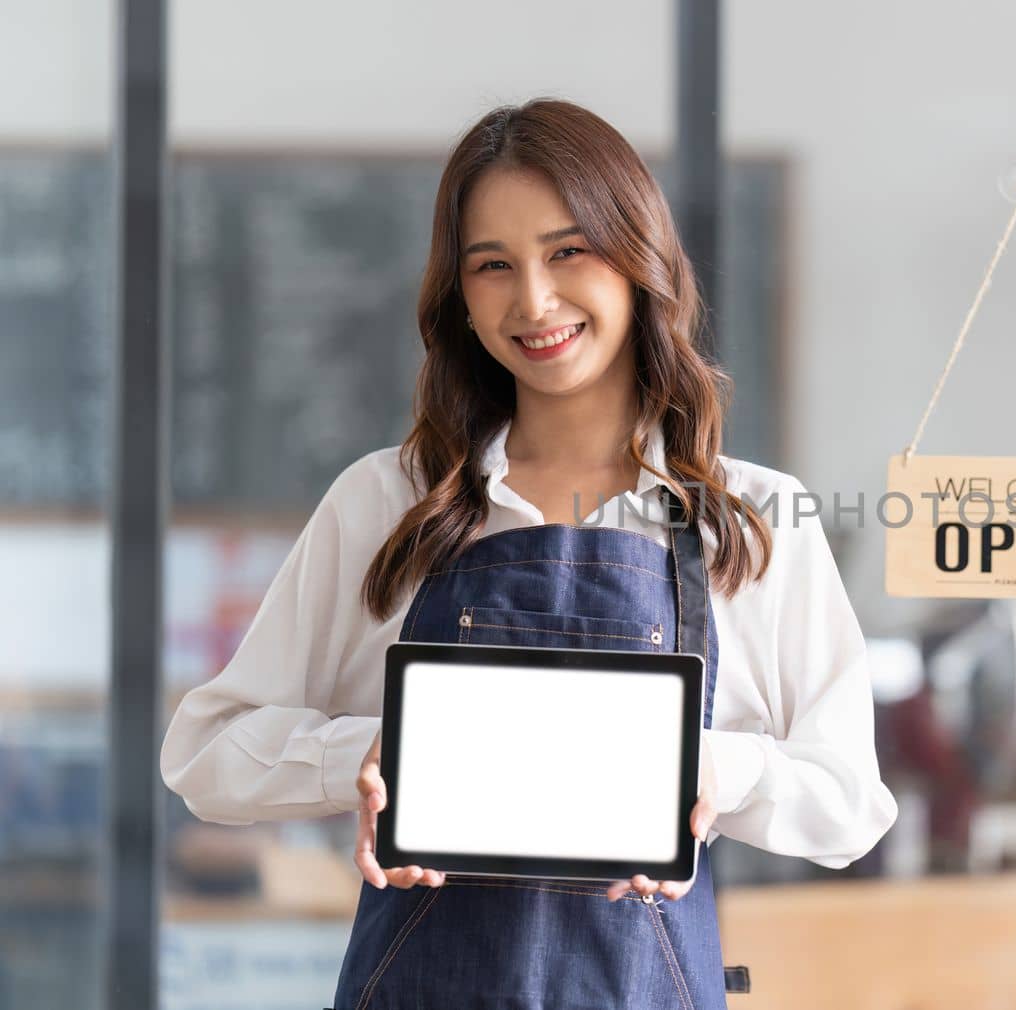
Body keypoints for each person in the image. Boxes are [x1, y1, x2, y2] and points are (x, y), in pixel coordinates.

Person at [160, 97, 898, 1009]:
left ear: (638, 259)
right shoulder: (387, 502)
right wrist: (379, 753)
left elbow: (850, 806)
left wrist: (701, 766)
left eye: (567, 252)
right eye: (492, 266)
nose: (534, 300)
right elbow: (206, 755)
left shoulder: (753, 517)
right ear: (459, 298)